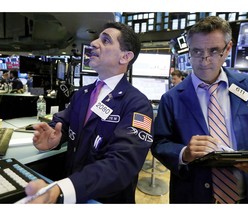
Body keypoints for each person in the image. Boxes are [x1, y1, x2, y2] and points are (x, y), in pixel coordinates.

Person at [151, 16, 248, 203]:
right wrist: (183, 153)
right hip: (193, 196)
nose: (204, 60)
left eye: (214, 51)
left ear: (228, 49)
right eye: (197, 51)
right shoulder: (172, 98)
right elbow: (160, 143)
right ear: (188, 51)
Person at [25, 22, 154, 204]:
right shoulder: (83, 94)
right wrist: (53, 138)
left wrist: (66, 188)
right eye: (97, 38)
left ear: (125, 56)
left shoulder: (137, 104)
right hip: (71, 192)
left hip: (103, 201)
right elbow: (63, 123)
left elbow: (122, 164)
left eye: (105, 40)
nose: (93, 43)